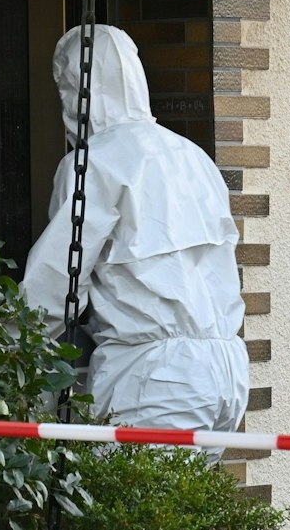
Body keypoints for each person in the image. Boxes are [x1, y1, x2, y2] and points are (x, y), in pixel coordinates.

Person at [22, 25, 248, 446]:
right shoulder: (193, 156)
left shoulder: (94, 163)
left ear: (78, 89)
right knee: (189, 507)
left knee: (137, 506)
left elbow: (56, 281)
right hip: (227, 371)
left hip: (158, 377)